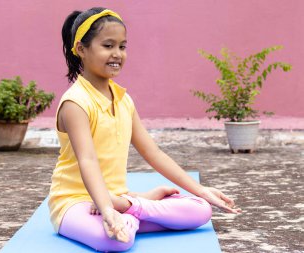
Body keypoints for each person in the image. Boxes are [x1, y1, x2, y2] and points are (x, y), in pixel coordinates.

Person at [48, 7, 242, 252]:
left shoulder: (124, 100)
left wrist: (201, 190)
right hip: (75, 204)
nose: (117, 54)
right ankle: (130, 210)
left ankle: (131, 208)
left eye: (122, 46)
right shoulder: (75, 103)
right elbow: (87, 160)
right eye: (108, 46)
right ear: (81, 50)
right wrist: (106, 208)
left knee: (201, 210)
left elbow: (154, 153)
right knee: (116, 241)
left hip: (116, 199)